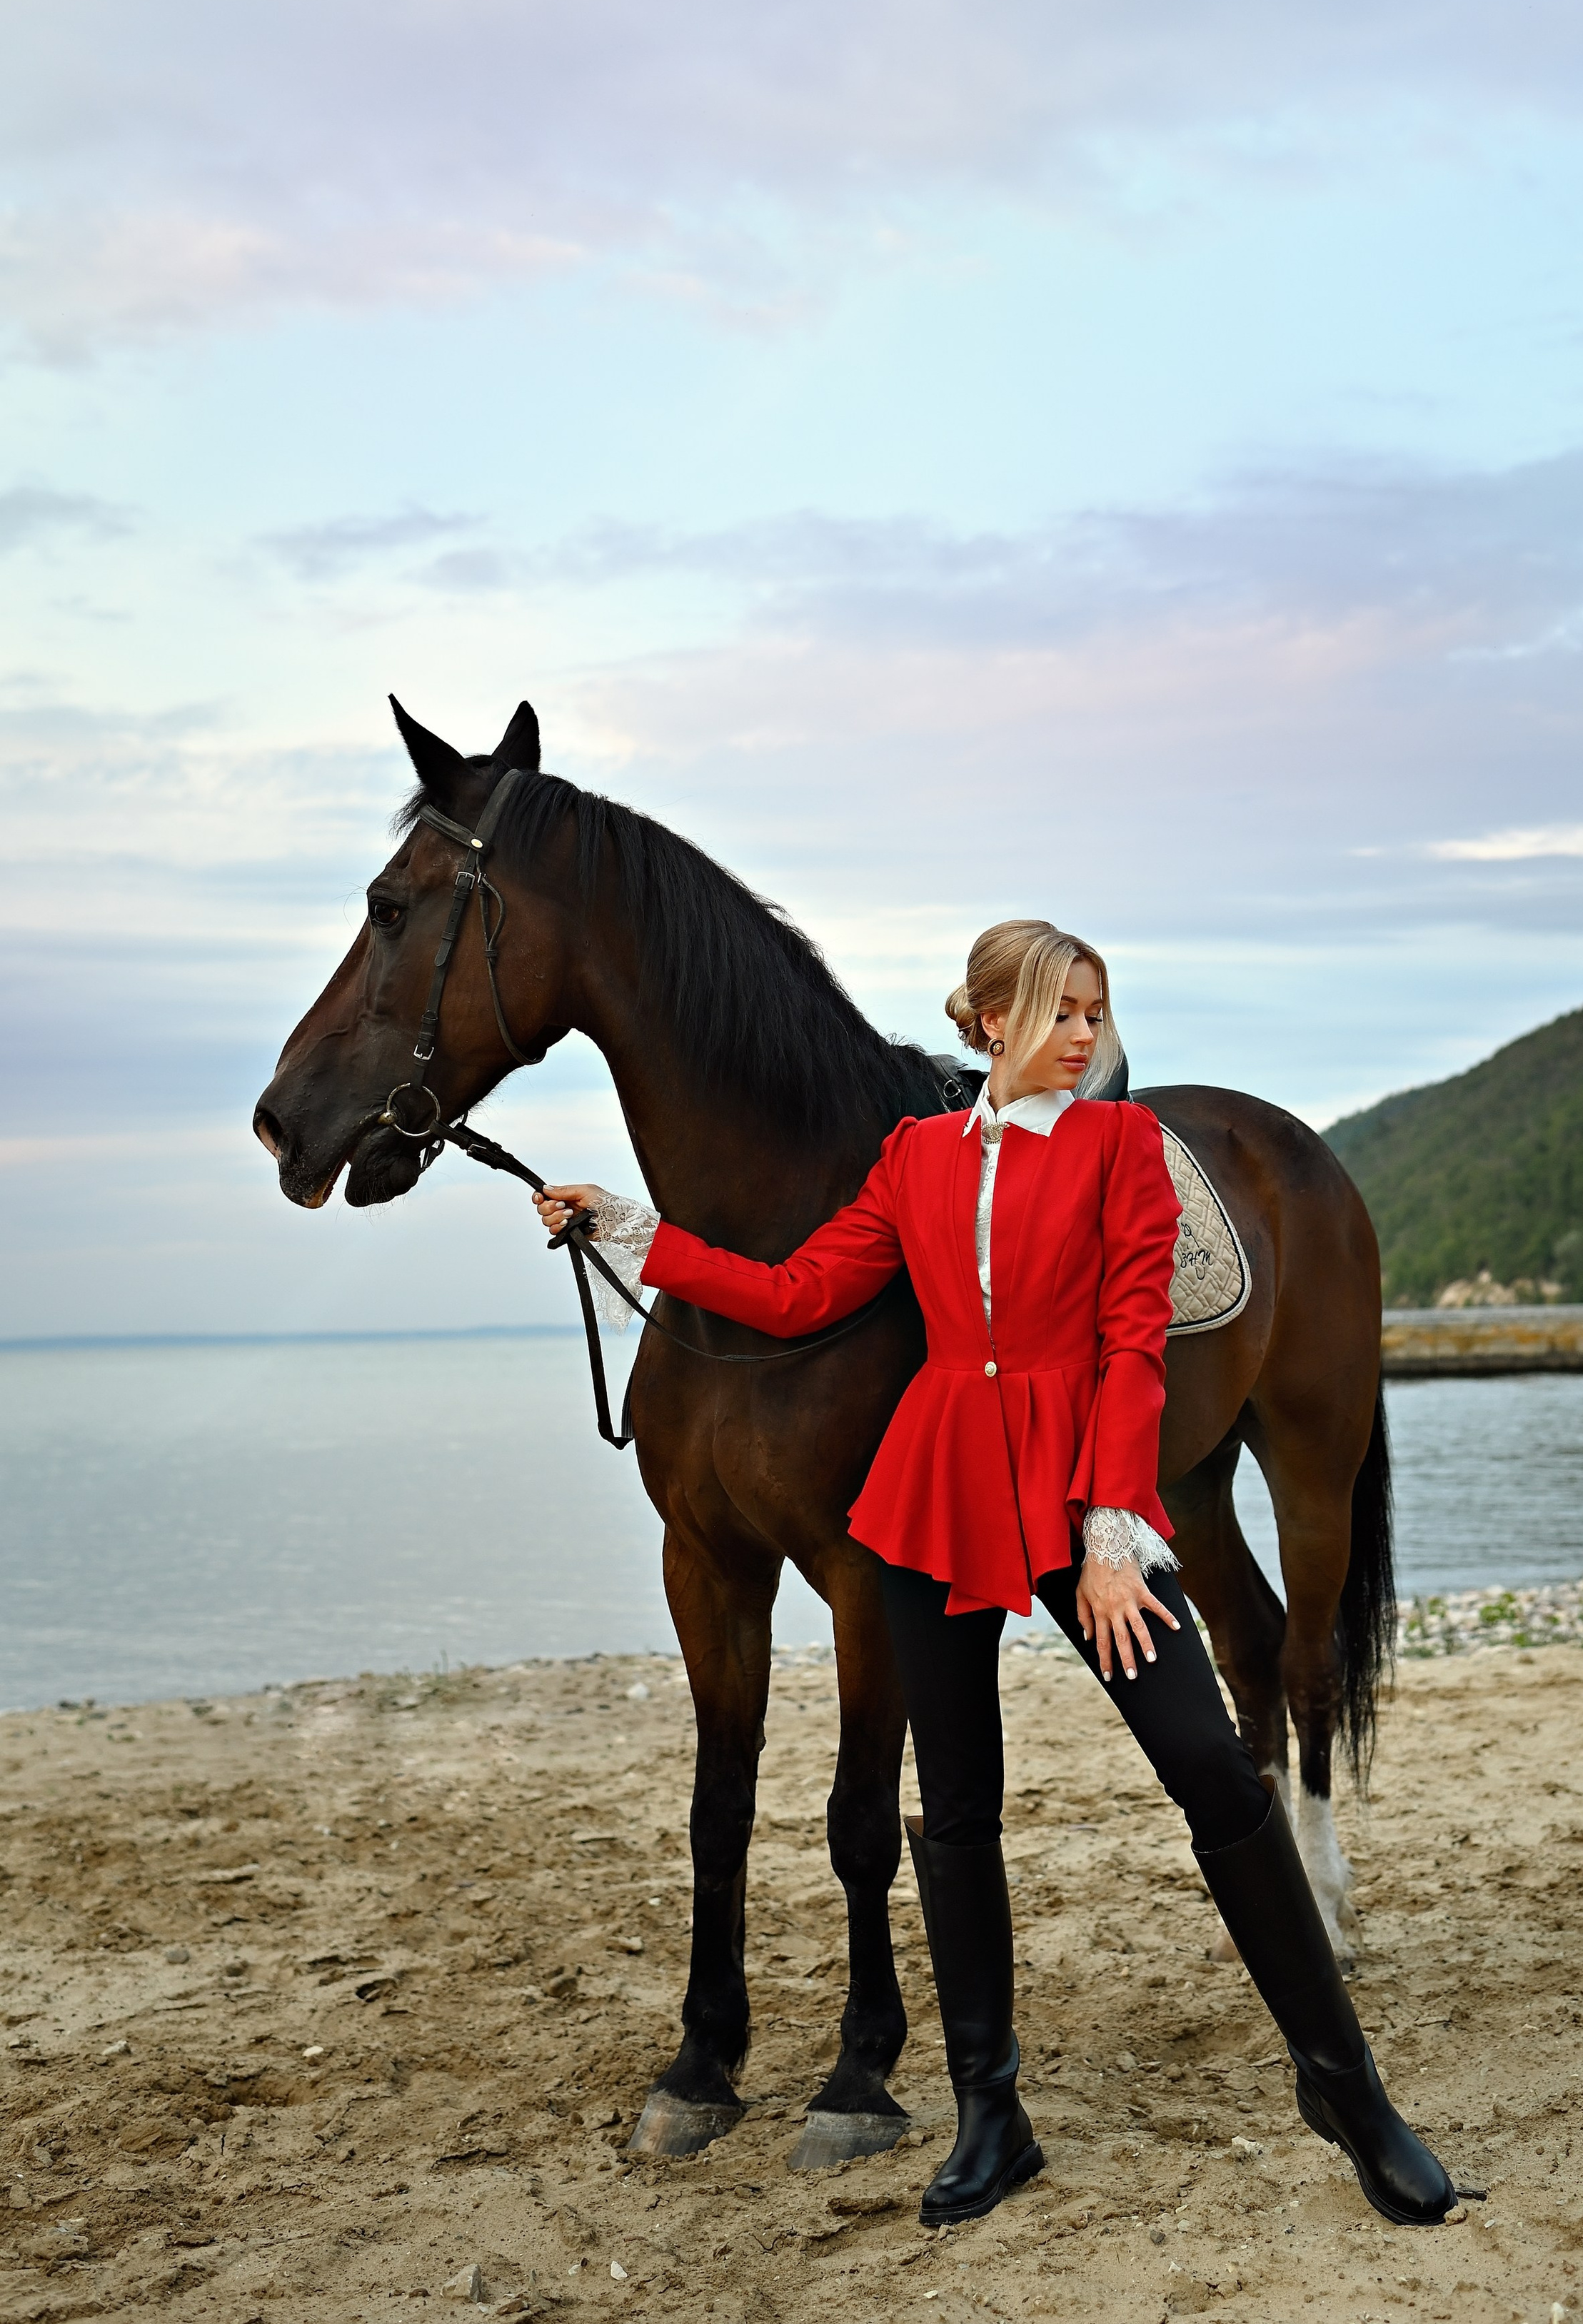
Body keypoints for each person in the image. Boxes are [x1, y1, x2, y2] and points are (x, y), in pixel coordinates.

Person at [533, 919, 1453, 2232]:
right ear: (983, 1022)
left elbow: (1136, 1346)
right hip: (933, 1492)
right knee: (956, 1810)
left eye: (1097, 1010)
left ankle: (1352, 2095)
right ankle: (989, 2116)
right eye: (1061, 1011)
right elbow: (795, 1294)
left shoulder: (1124, 1147)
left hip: (1079, 1493)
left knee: (1208, 1769)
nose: (1088, 1034)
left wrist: (1118, 1531)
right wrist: (633, 1230)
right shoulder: (913, 1157)